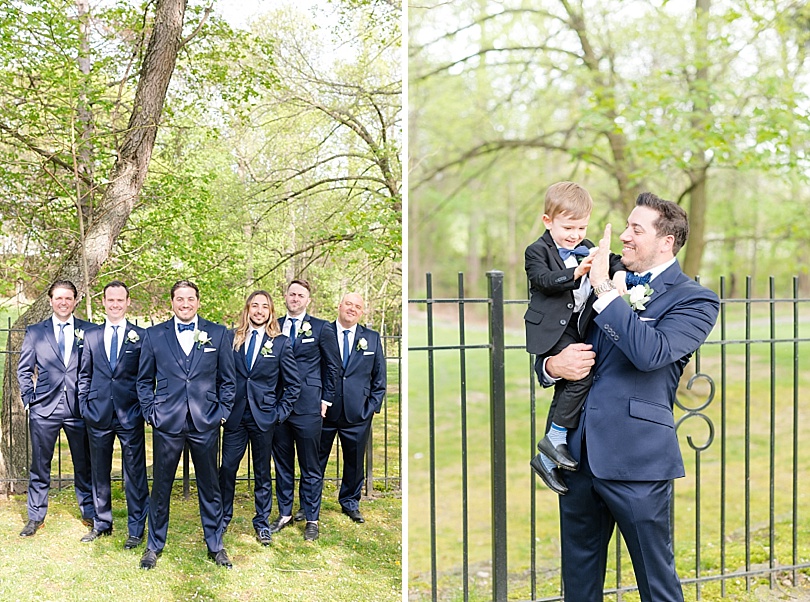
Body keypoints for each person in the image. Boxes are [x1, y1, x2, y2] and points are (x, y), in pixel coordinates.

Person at [542, 193, 720, 601]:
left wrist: (605, 289)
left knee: (657, 583)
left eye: (636, 229)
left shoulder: (694, 299)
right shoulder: (598, 278)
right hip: (578, 455)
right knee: (578, 584)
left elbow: (650, 353)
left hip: (638, 462)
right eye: (626, 226)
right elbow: (558, 335)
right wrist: (552, 366)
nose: (624, 236)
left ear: (666, 242)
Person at [524, 181, 625, 494]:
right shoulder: (536, 251)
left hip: (576, 327)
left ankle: (546, 457)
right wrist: (576, 273)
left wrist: (619, 272)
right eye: (568, 228)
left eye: (581, 227)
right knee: (581, 373)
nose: (575, 235)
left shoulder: (587, 246)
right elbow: (543, 280)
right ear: (548, 221)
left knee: (570, 383)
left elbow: (613, 259)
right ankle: (554, 439)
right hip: (551, 327)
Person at [136, 280, 236, 570]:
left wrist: (221, 413)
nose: (185, 304)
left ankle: (216, 545)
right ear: (172, 302)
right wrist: (151, 413)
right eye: (179, 299)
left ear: (198, 302)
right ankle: (154, 545)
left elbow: (228, 380)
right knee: (161, 487)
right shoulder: (154, 335)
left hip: (205, 420)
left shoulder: (217, 333)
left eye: (190, 298)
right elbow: (144, 380)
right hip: (167, 421)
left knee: (210, 486)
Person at [219, 290, 300, 546]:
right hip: (234, 416)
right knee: (227, 468)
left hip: (264, 417)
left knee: (262, 472)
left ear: (271, 312)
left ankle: (262, 522)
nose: (259, 311)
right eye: (255, 306)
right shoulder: (231, 338)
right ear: (247, 309)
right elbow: (220, 375)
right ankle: (222, 517)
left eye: (264, 306)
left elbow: (293, 385)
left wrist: (279, 413)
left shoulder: (281, 343)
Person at [17, 279, 95, 536]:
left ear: (75, 301)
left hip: (78, 409)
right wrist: (29, 398)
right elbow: (24, 369)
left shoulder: (89, 330)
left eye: (68, 298)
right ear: (50, 301)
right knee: (40, 466)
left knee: (84, 465)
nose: (63, 302)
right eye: (58, 298)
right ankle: (35, 516)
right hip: (44, 409)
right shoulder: (35, 332)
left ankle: (89, 512)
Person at [77, 281, 149, 548]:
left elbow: (146, 377)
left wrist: (143, 408)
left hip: (130, 414)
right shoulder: (91, 335)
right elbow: (84, 375)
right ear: (104, 302)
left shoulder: (141, 336)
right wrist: (84, 406)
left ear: (128, 302)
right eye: (111, 300)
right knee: (99, 472)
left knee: (135, 474)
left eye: (120, 300)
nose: (115, 304)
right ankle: (102, 523)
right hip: (98, 414)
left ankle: (136, 528)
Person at [269, 280, 339, 542]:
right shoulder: (273, 326)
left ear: (308, 300)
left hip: (309, 405)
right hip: (279, 405)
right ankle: (285, 513)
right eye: (292, 294)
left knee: (310, 465)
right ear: (285, 297)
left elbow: (332, 366)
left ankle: (312, 518)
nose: (295, 299)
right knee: (282, 463)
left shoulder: (322, 328)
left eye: (300, 295)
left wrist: (326, 399)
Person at [318, 292, 386, 524]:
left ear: (362, 312)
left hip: (358, 412)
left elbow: (379, 377)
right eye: (348, 304)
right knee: (315, 460)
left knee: (355, 462)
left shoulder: (372, 338)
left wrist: (371, 407)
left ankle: (350, 502)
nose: (352, 309)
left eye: (357, 306)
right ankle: (310, 504)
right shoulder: (323, 332)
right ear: (339, 306)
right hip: (325, 411)